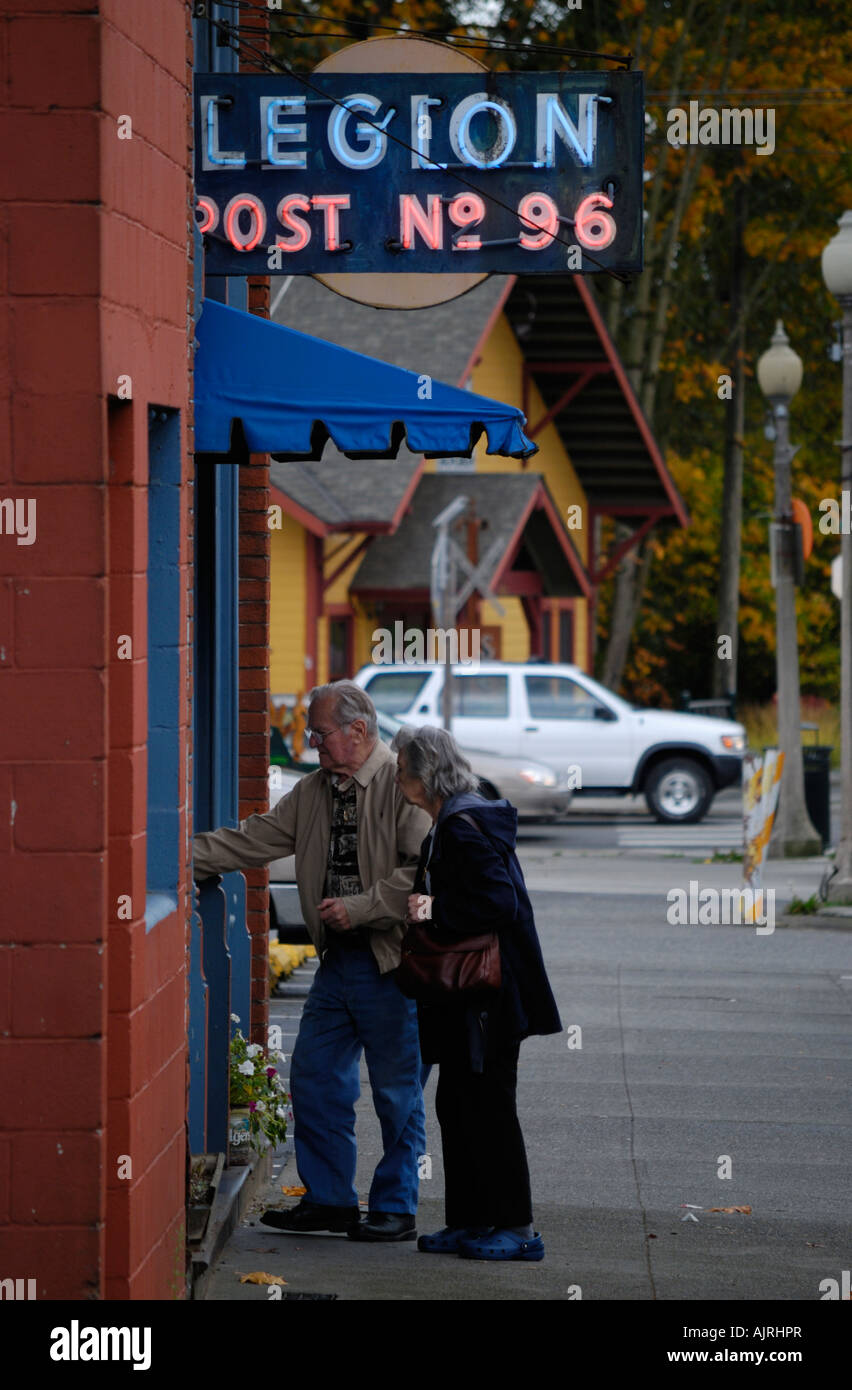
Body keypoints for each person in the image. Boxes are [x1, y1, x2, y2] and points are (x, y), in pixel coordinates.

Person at [193, 681, 432, 1242]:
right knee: (316, 1078)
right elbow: (255, 839)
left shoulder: (402, 784)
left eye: (320, 733)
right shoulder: (314, 790)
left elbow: (424, 871)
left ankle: (396, 1207)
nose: (312, 743)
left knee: (398, 1090)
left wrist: (361, 907)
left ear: (359, 730)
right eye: (311, 733)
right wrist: (170, 857)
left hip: (392, 962)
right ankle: (329, 1201)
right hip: (338, 963)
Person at [392, 724, 562, 1261]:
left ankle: (517, 1228)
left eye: (401, 769)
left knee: (489, 1108)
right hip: (468, 997)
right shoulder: (453, 819)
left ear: (423, 776)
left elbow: (499, 903)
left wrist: (433, 909)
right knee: (457, 1104)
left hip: (490, 998)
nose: (397, 777)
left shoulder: (462, 826)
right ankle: (469, 1220)